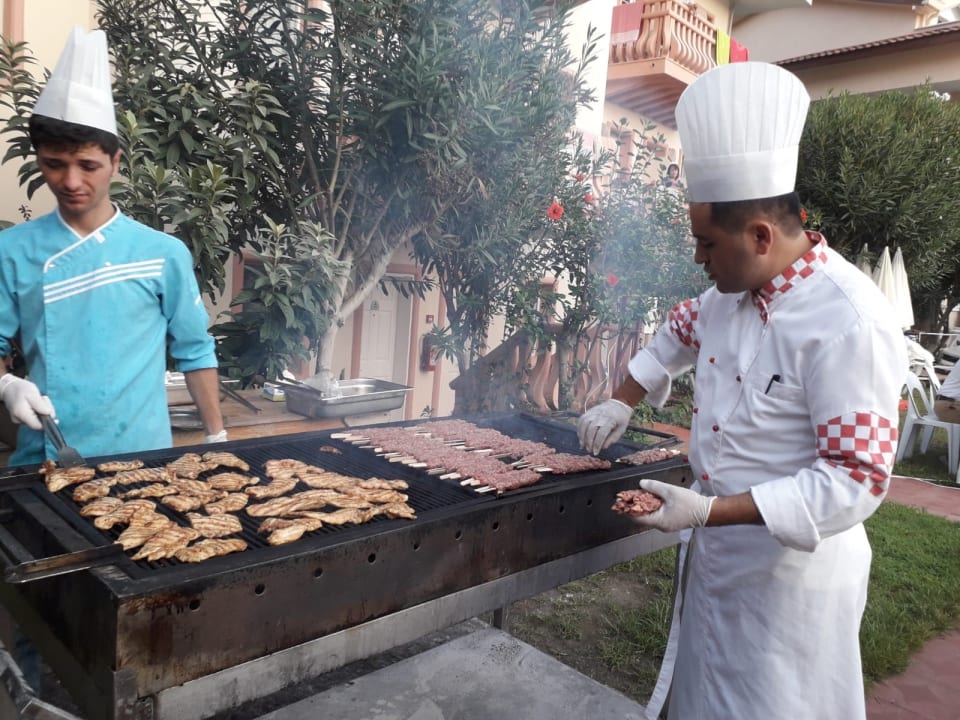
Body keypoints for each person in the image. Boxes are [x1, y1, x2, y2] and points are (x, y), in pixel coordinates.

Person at [578, 62, 907, 720]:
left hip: (789, 585)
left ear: (760, 236)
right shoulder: (729, 295)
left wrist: (706, 512)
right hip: (719, 562)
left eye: (706, 243)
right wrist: (622, 397)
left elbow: (855, 479)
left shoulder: (848, 322)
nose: (699, 258)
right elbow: (677, 330)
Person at [0, 27, 226, 465]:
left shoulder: (163, 253)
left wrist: (217, 438)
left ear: (116, 162)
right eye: (54, 164)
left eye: (87, 165)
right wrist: (8, 385)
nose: (70, 182)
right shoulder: (10, 251)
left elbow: (195, 350)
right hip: (47, 458)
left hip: (144, 458)